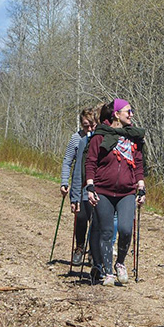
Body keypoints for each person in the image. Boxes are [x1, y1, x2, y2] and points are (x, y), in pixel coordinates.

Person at [85, 99, 146, 287]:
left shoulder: (133, 137)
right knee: (106, 231)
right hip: (103, 190)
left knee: (126, 229)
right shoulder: (100, 136)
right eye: (128, 111)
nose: (132, 114)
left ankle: (120, 263)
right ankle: (108, 271)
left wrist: (141, 186)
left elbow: (138, 163)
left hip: (127, 192)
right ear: (116, 114)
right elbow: (91, 162)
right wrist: (90, 186)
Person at [64, 108, 98, 266]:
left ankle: (93, 251)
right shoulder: (76, 138)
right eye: (86, 126)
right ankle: (79, 247)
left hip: (96, 184)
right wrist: (65, 182)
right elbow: (67, 161)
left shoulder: (99, 139)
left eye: (92, 125)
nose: (89, 129)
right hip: (80, 185)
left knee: (96, 219)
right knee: (81, 217)